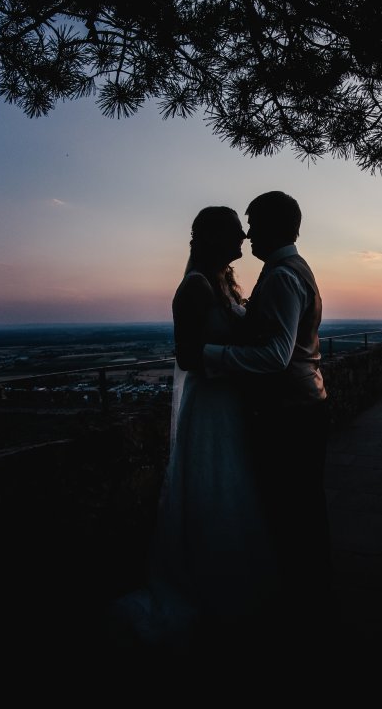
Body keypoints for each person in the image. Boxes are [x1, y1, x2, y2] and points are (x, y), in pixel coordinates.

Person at [109, 205, 277, 662]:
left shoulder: (220, 280)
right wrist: (240, 351)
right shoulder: (194, 287)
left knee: (232, 487)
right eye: (235, 234)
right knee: (213, 484)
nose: (244, 240)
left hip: (228, 401)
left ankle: (230, 578)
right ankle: (208, 583)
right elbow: (186, 355)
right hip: (211, 405)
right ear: (214, 238)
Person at [184, 190, 334, 654]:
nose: (247, 234)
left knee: (297, 511)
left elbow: (274, 356)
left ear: (275, 226)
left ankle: (307, 613)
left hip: (292, 412)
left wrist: (206, 355)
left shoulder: (285, 277)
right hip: (295, 408)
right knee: (295, 509)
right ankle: (306, 602)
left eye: (252, 223)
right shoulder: (283, 271)